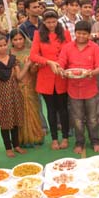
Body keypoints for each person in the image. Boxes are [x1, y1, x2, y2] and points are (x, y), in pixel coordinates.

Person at [58, 20, 99, 154]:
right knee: (77, 119)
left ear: (89, 34)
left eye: (84, 34)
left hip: (90, 88)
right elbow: (61, 62)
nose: (81, 36)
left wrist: (91, 73)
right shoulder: (67, 47)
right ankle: (79, 142)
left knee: (92, 118)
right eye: (79, 33)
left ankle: (95, 141)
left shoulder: (95, 47)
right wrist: (61, 69)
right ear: (75, 33)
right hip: (73, 89)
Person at [30, 10, 72, 150]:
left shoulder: (64, 33)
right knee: (51, 110)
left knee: (63, 109)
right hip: (46, 77)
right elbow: (33, 56)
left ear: (57, 20)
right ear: (43, 22)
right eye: (48, 22)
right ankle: (54, 139)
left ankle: (65, 137)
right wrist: (49, 62)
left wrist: (60, 64)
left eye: (53, 22)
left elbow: (69, 51)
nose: (51, 25)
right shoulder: (38, 34)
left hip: (61, 76)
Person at [0, 35, 29, 157]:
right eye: (0, 45)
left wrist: (26, 66)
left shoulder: (12, 59)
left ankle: (16, 145)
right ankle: (8, 147)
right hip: (1, 96)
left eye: (5, 45)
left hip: (15, 94)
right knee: (5, 122)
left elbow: (19, 77)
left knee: (16, 120)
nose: (3, 47)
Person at [9, 28, 45, 147]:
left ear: (25, 39)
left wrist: (34, 66)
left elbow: (34, 71)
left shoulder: (31, 51)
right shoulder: (9, 54)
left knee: (34, 109)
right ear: (11, 41)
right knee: (22, 112)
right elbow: (17, 76)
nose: (19, 42)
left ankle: (36, 136)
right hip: (17, 86)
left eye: (21, 39)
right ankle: (24, 139)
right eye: (15, 40)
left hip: (32, 83)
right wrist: (28, 64)